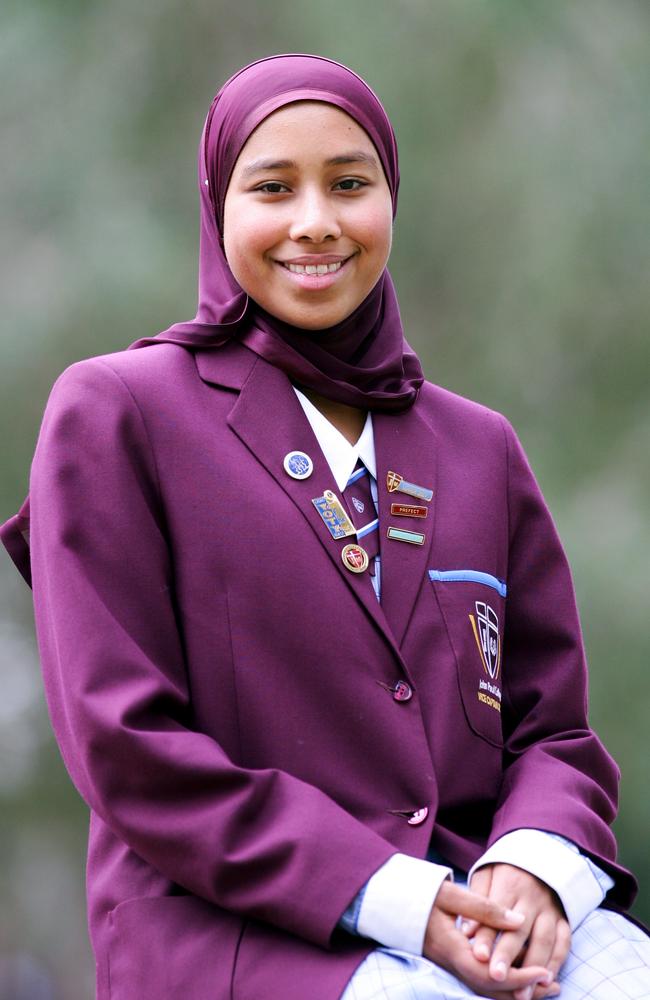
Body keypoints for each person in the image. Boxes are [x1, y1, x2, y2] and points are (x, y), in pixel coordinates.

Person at [1, 53, 648, 1000]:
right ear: (218, 206)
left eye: (351, 183)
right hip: (236, 936)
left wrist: (535, 870)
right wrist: (401, 900)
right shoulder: (118, 411)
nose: (316, 220)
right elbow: (126, 743)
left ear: (392, 198)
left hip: (483, 900)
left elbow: (554, 733)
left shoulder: (481, 447)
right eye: (272, 187)